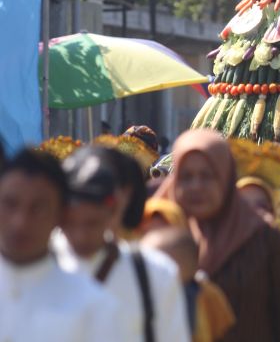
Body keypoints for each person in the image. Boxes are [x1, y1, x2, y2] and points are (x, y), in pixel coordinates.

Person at [156, 129, 280, 342]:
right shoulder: (159, 235)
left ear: (226, 178)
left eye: (207, 176)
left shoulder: (262, 238)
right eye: (186, 177)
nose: (196, 186)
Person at [56, 146, 190, 342]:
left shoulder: (155, 274)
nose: (81, 235)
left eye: (91, 222)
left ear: (119, 203)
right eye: (71, 221)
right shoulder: (29, 267)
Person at [0, 149, 121, 342]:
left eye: (38, 209)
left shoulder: (92, 306)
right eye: (10, 204)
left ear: (61, 215)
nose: (20, 222)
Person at [142, 227, 236, 342]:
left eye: (153, 264)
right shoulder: (142, 294)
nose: (142, 268)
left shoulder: (207, 294)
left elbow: (222, 330)